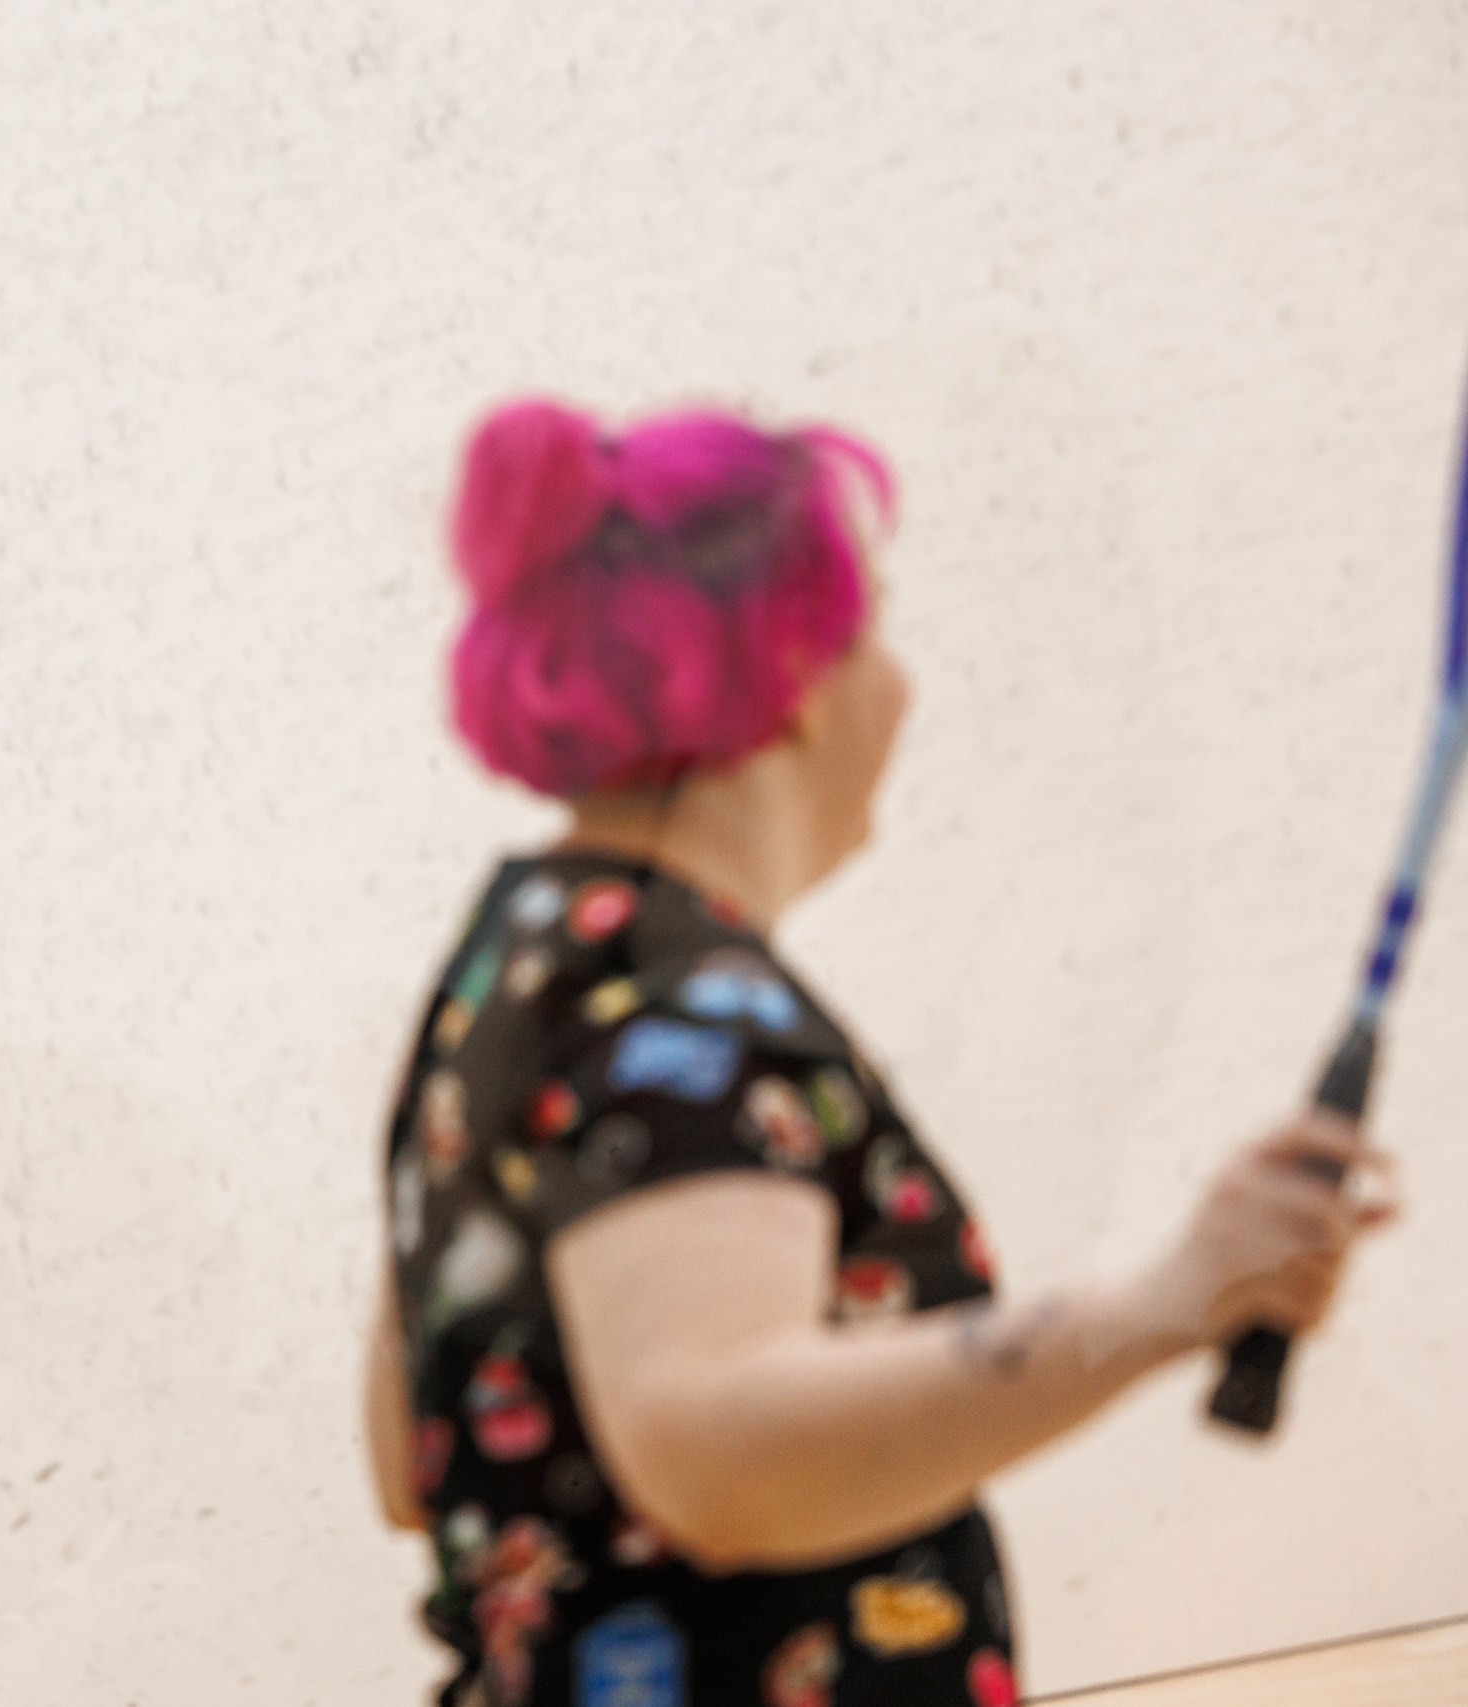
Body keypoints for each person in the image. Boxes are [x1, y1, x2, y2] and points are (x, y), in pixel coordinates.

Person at [362, 401, 1397, 1707]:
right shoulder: (681, 1015)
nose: (900, 684)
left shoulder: (514, 963)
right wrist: (1169, 1298)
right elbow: (714, 1452)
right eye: (872, 629)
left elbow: (412, 1456)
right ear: (792, 668)